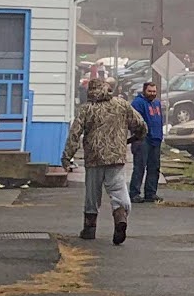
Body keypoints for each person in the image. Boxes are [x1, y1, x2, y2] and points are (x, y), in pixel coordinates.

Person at [63, 78, 148, 245]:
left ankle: (89, 228)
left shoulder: (87, 109)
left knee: (92, 193)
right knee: (118, 189)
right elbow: (140, 124)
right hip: (116, 156)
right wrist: (137, 137)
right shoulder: (121, 105)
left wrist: (67, 157)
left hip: (94, 158)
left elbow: (74, 134)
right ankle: (120, 216)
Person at [129, 80, 166, 203]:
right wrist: (139, 136)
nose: (152, 93)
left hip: (156, 139)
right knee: (139, 167)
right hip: (142, 140)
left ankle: (150, 193)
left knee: (154, 167)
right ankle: (134, 193)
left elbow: (159, 120)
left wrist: (160, 136)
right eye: (149, 91)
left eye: (154, 91)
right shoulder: (138, 103)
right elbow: (134, 122)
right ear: (144, 91)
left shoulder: (157, 103)